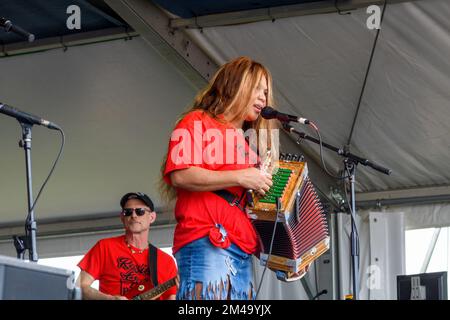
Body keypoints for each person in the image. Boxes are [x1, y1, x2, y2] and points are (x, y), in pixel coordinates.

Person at [161, 56, 277, 300]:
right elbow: (181, 175)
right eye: (257, 88)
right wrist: (242, 177)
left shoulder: (251, 146)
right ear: (235, 84)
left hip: (243, 254)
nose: (263, 99)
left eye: (265, 93)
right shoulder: (196, 121)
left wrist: (289, 255)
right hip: (208, 241)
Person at [77, 192, 178, 300]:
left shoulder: (166, 261)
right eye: (128, 212)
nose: (133, 215)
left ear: (152, 217)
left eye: (140, 211)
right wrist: (110, 299)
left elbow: (172, 298)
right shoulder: (105, 247)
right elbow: (80, 287)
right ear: (122, 217)